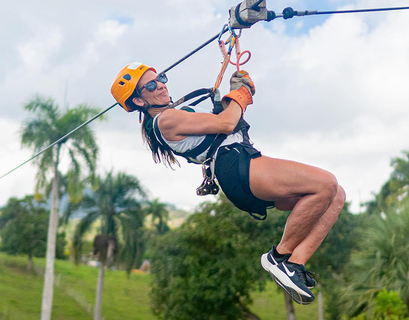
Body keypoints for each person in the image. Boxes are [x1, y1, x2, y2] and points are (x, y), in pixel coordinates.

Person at [111, 62, 346, 305]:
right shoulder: (165, 119)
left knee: (336, 195)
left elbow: (224, 122)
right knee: (326, 183)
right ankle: (278, 257)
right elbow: (226, 124)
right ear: (139, 101)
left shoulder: (171, 117)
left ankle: (295, 263)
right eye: (151, 85)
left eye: (160, 78)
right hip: (236, 165)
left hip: (237, 170)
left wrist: (233, 99)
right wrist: (240, 96)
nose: (160, 85)